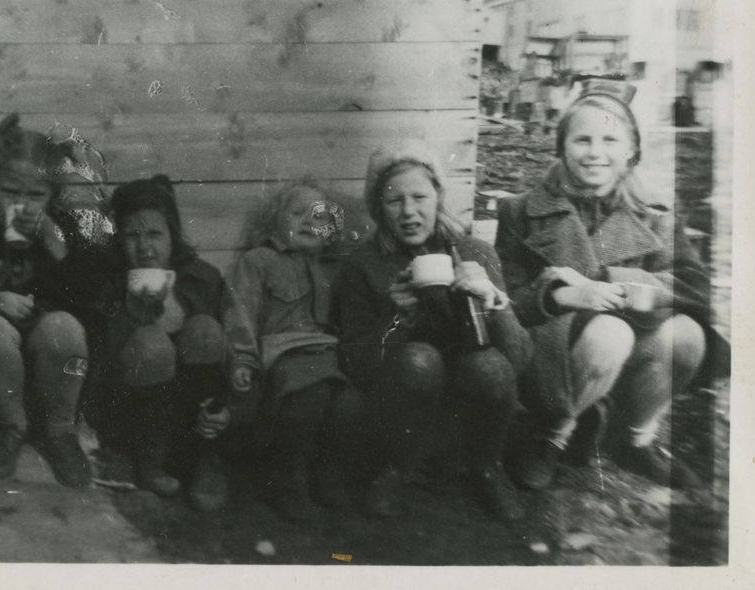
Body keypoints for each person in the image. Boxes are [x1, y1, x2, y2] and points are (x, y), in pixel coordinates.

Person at [496, 82, 712, 490]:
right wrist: (560, 295)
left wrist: (609, 284)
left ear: (631, 150)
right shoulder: (521, 211)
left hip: (625, 349)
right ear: (562, 148)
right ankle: (547, 438)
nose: (595, 153)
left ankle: (635, 438)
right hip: (550, 357)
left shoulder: (656, 214)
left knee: (686, 335)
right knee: (609, 333)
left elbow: (692, 285)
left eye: (610, 139)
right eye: (582, 139)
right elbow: (505, 302)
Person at [336, 143, 533, 522]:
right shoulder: (363, 264)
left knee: (489, 366)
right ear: (378, 207)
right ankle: (394, 470)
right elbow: (356, 365)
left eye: (420, 197)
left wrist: (495, 301)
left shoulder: (475, 252)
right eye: (394, 201)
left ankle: (488, 468)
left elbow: (519, 359)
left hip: (465, 404)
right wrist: (395, 319)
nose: (409, 212)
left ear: (438, 197)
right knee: (418, 359)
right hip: (398, 405)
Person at [0, 114, 111, 489]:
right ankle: (10, 429)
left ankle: (60, 431)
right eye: (10, 192)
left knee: (63, 329)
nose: (22, 204)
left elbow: (93, 295)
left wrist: (54, 242)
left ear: (52, 195)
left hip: (52, 356)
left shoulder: (62, 228)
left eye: (35, 195)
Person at [223, 178, 359, 522]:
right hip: (283, 355)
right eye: (298, 212)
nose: (309, 221)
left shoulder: (337, 268)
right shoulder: (259, 261)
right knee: (306, 400)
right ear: (276, 222)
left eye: (320, 216)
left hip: (330, 354)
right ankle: (290, 481)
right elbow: (239, 315)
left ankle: (328, 474)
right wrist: (243, 359)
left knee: (348, 403)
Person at [93, 175, 231, 511]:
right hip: (134, 416)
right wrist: (131, 313)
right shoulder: (108, 283)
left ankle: (203, 459)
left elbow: (238, 342)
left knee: (206, 329)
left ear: (173, 236)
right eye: (132, 236)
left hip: (192, 413)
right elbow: (99, 359)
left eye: (155, 234)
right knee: (150, 342)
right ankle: (149, 462)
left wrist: (232, 405)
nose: (144, 247)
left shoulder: (203, 277)